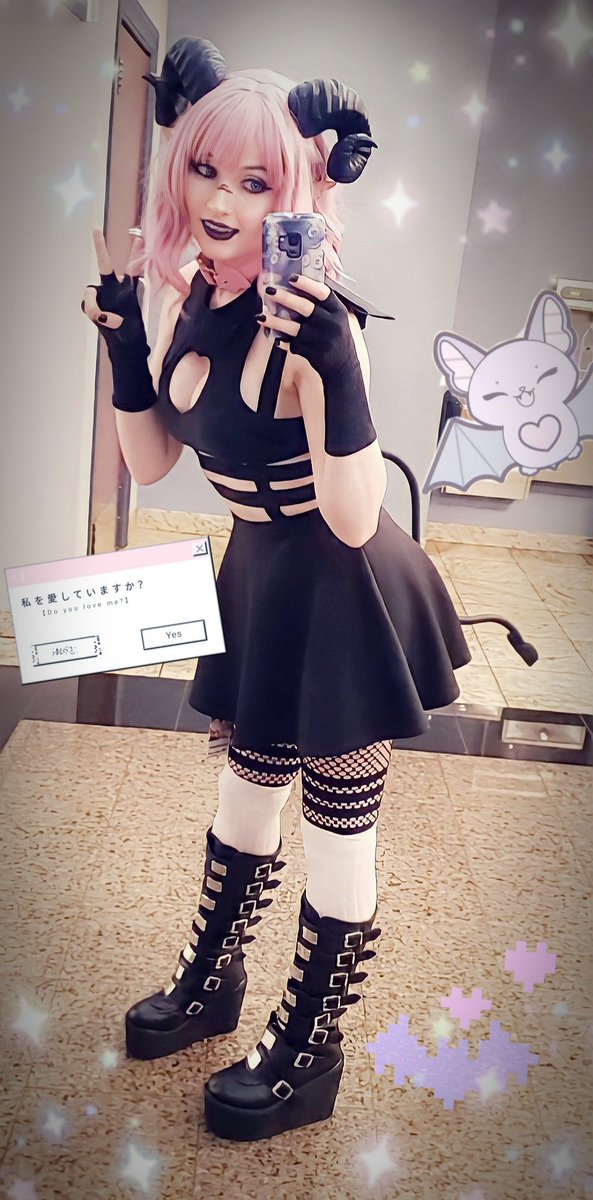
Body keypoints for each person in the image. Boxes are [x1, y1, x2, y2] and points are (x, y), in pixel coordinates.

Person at [81, 36, 472, 1142]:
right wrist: (125, 353)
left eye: (255, 182)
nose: (221, 201)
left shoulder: (317, 324)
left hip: (344, 585)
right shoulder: (193, 300)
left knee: (338, 822)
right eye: (206, 170)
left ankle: (313, 1047)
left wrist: (340, 367)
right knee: (244, 793)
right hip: (256, 570)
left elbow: (351, 516)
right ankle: (214, 981)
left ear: (301, 189)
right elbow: (153, 458)